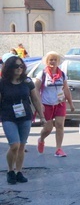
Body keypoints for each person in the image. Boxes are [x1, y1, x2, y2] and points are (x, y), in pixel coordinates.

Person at [1, 56, 46, 184]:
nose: (19, 68)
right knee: (14, 145)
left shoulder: (27, 81)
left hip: (25, 116)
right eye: (16, 66)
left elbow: (35, 99)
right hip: (8, 116)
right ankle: (10, 171)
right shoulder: (2, 83)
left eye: (21, 66)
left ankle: (19, 171)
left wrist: (41, 116)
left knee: (21, 145)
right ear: (9, 68)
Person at [35, 51, 75, 157]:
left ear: (58, 61)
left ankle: (58, 149)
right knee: (48, 128)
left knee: (59, 125)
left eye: (55, 59)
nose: (53, 61)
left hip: (60, 103)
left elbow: (65, 88)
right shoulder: (42, 74)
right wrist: (39, 104)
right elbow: (36, 89)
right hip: (46, 104)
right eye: (50, 60)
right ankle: (41, 139)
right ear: (47, 62)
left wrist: (71, 103)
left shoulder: (62, 74)